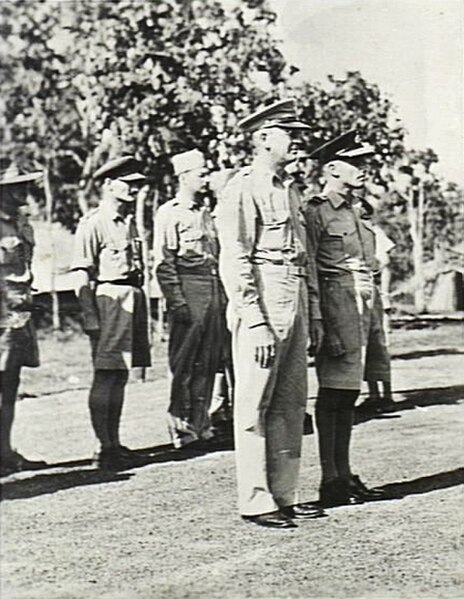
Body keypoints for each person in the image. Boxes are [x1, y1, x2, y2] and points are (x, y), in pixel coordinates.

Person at [216, 99, 326, 529]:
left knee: (291, 401)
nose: (297, 141)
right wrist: (255, 319)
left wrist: (313, 311)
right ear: (263, 139)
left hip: (294, 292)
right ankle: (255, 498)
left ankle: (285, 492)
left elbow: (306, 256)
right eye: (289, 133)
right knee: (253, 402)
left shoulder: (290, 188)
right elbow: (236, 257)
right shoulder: (242, 187)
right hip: (263, 293)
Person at [304, 130, 386, 507]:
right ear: (333, 168)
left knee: (348, 393)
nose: (364, 169)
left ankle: (343, 471)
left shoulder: (356, 209)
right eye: (356, 163)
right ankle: (329, 477)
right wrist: (320, 321)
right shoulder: (317, 210)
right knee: (333, 394)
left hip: (360, 305)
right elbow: (311, 272)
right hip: (336, 305)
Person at [72, 156, 151, 470]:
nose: (134, 188)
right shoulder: (94, 222)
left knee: (120, 375)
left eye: (136, 183)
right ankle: (103, 447)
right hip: (109, 299)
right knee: (106, 373)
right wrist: (89, 315)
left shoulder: (128, 219)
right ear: (107, 184)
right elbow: (81, 271)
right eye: (127, 183)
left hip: (132, 296)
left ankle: (114, 442)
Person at [154, 149, 224, 449]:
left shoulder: (206, 212)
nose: (206, 178)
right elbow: (164, 261)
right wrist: (177, 301)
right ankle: (181, 428)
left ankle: (201, 423)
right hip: (188, 289)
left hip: (212, 290)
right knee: (183, 364)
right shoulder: (170, 212)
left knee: (208, 363)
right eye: (201, 173)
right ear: (184, 177)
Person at [0, 163, 46, 475]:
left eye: (26, 184)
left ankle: (5, 452)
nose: (24, 191)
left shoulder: (20, 223)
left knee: (11, 384)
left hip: (21, 312)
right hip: (2, 315)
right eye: (17, 185)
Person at [357, 195, 395, 412]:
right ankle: (373, 394)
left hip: (377, 294)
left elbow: (385, 266)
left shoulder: (374, 233)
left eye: (363, 214)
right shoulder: (354, 232)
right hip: (363, 295)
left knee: (380, 343)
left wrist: (386, 296)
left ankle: (387, 394)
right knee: (368, 344)